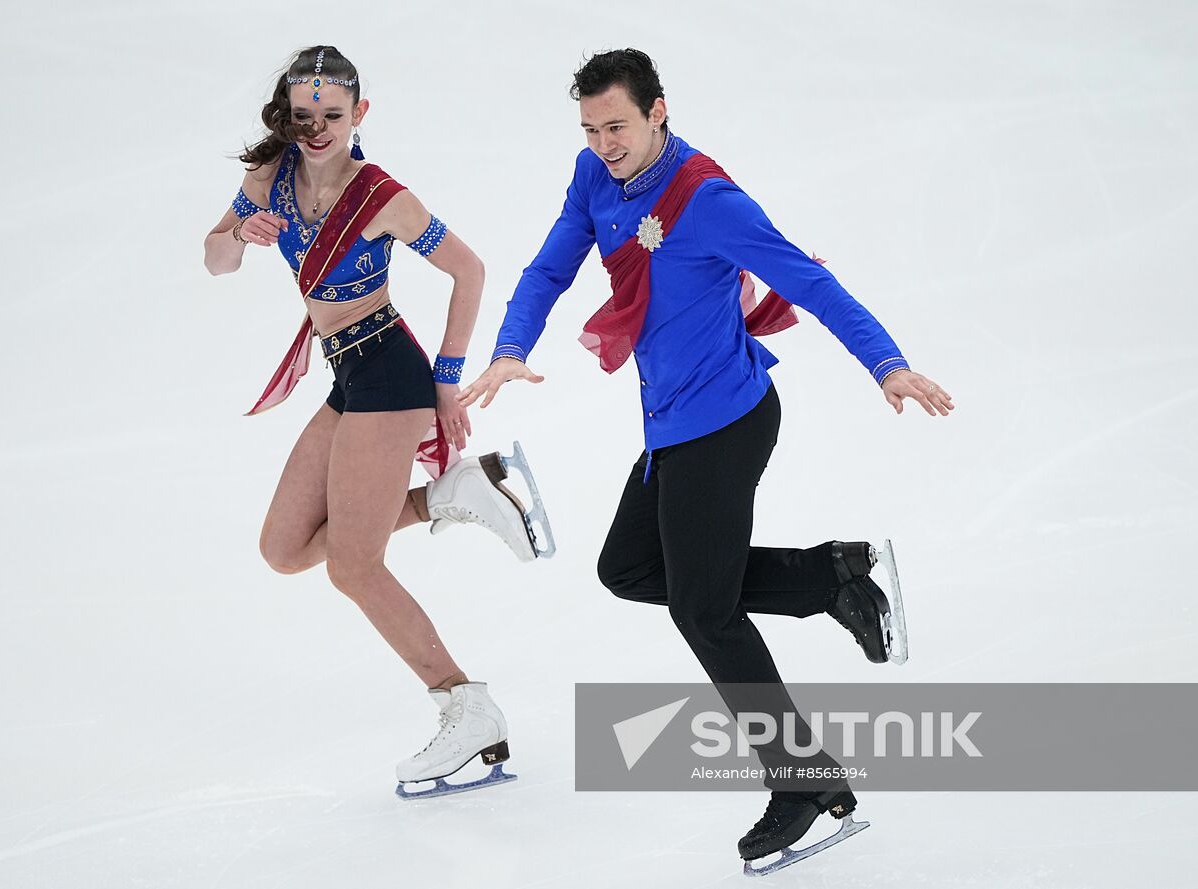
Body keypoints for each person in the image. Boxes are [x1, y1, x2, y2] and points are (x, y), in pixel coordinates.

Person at [459, 49, 954, 866]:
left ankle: (804, 782)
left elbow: (812, 282)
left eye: (617, 125)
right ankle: (830, 575)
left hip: (724, 424)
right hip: (671, 427)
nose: (604, 143)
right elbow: (550, 264)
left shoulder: (710, 201)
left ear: (659, 110)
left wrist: (887, 363)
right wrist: (512, 345)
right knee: (629, 568)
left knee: (704, 609)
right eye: (590, 129)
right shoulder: (592, 178)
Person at [202, 45, 550, 797]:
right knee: (284, 547)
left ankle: (466, 705)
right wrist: (240, 234)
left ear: (360, 114)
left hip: (391, 374)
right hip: (349, 373)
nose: (318, 128)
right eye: (304, 116)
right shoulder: (268, 180)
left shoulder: (382, 196)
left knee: (352, 566)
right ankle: (451, 495)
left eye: (332, 115)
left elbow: (470, 270)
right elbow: (215, 262)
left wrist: (447, 382)